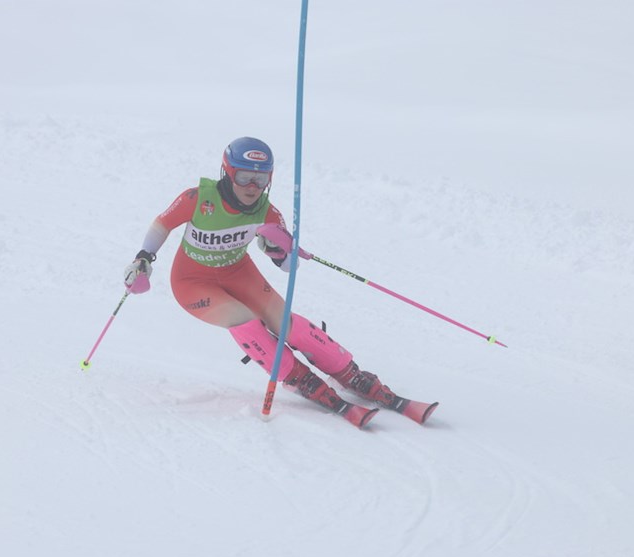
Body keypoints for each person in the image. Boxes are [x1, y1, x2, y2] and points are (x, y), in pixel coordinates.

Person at [124, 137, 434, 428]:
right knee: (245, 321)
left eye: (261, 179)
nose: (252, 187)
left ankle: (350, 374)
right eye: (244, 177)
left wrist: (278, 251)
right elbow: (161, 225)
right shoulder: (198, 198)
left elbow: (289, 266)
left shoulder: (268, 212)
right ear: (227, 173)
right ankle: (299, 377)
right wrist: (143, 258)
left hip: (238, 272)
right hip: (192, 282)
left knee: (287, 324)